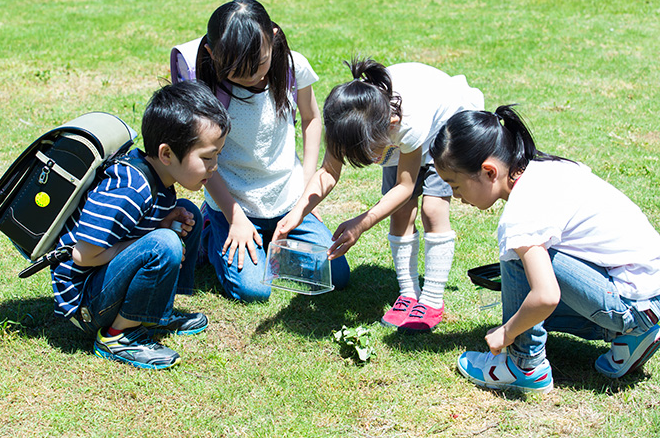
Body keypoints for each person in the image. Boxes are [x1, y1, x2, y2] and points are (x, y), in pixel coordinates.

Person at [429, 105, 660, 393]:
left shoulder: (520, 215)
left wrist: (506, 332)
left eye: (455, 184)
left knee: (519, 259)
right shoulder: (548, 170)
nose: (455, 196)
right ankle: (633, 332)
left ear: (489, 171)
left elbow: (547, 296)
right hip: (650, 293)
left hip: (629, 301)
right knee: (530, 274)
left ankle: (525, 365)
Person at [274, 58, 484, 333]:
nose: (373, 159)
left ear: (390, 125)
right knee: (400, 212)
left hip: (443, 126)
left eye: (371, 150)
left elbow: (405, 186)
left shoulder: (406, 123)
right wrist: (296, 212)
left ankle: (432, 300)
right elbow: (327, 172)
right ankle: (408, 295)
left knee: (433, 209)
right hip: (394, 137)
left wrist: (360, 224)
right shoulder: (345, 120)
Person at [50, 81, 230, 369]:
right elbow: (83, 254)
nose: (214, 166)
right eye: (207, 157)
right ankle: (118, 335)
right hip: (87, 303)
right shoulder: (131, 188)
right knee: (165, 242)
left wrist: (161, 221)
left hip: (106, 282)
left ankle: (156, 313)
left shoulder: (159, 177)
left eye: (217, 155)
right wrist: (155, 236)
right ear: (167, 154)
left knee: (184, 213)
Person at [194, 0, 350, 302]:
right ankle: (212, 229)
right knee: (254, 290)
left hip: (287, 201)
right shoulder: (207, 88)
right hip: (233, 203)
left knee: (338, 275)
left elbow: (311, 119)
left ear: (274, 37)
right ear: (212, 55)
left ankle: (266, 243)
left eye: (260, 64)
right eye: (237, 72)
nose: (252, 77)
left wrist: (306, 192)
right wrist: (234, 216)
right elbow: (202, 158)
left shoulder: (294, 67)